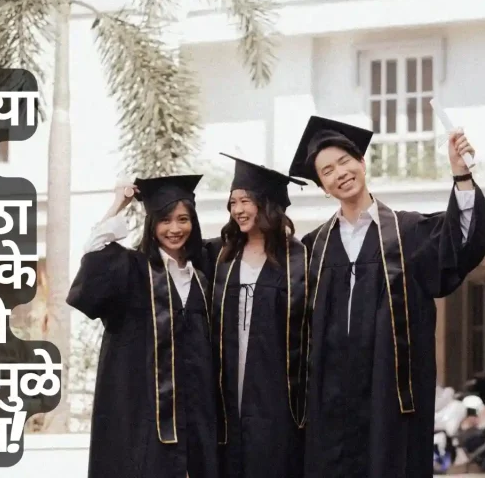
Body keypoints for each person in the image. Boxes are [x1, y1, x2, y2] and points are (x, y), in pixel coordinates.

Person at [287, 116, 485, 478]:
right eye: (328, 170)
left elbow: (460, 245)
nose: (340, 173)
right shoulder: (312, 248)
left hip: (391, 398)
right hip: (330, 402)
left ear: (362, 163)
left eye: (345, 161)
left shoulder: (408, 233)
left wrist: (461, 177)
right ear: (323, 186)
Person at [66, 175, 217, 478]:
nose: (174, 229)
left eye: (183, 219)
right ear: (152, 225)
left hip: (197, 416)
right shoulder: (131, 270)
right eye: (164, 220)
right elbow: (93, 256)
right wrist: (118, 203)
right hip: (142, 414)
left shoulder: (204, 275)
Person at [202, 153, 309, 478]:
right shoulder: (221, 255)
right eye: (233, 202)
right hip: (227, 394)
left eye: (245, 200)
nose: (237, 210)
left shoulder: (299, 258)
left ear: (268, 203)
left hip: (278, 399)